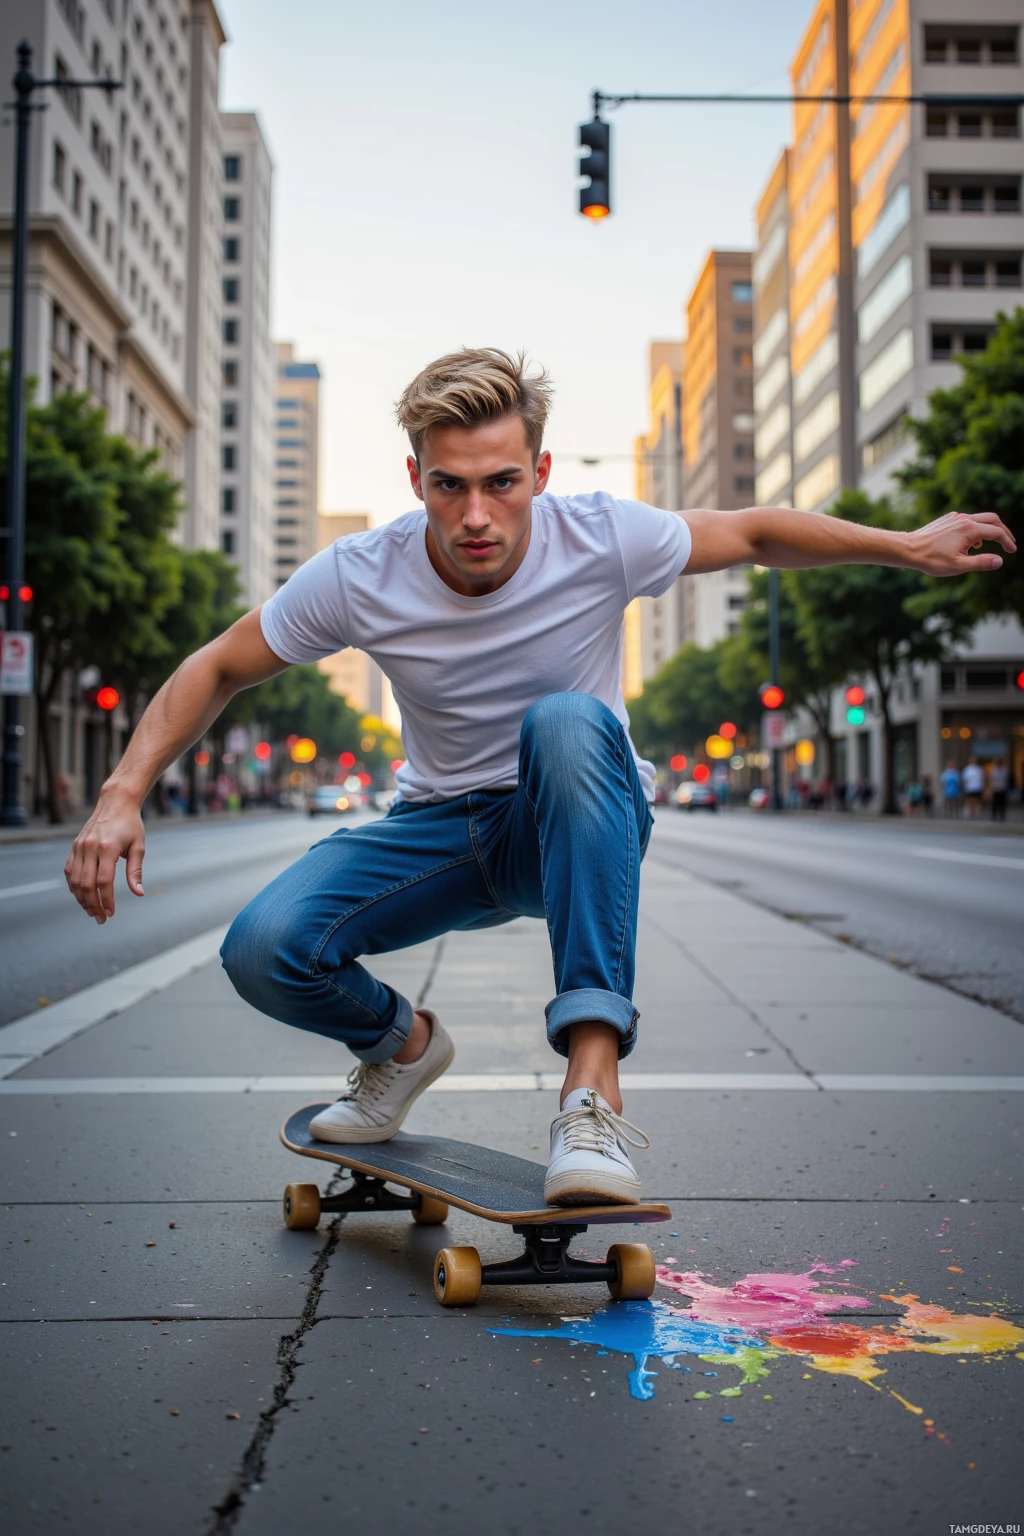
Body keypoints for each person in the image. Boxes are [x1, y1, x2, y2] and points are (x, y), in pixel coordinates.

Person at [62, 348, 1016, 1206]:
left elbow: (756, 532)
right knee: (262, 947)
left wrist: (905, 546)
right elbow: (219, 663)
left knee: (564, 719)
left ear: (541, 473)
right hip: (439, 832)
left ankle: (591, 1097)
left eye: (502, 483)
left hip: (569, 811)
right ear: (415, 478)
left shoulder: (602, 534)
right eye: (449, 487)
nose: (476, 516)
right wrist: (121, 795)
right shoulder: (362, 574)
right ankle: (400, 1051)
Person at [989, 756, 1009, 822]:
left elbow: (1006, 779)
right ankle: (994, 815)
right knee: (995, 803)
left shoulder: (1004, 770)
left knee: (1002, 803)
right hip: (996, 789)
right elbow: (991, 780)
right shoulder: (994, 770)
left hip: (1002, 788)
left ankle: (1002, 815)